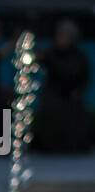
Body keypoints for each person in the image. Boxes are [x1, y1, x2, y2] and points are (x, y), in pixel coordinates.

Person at [38, 20, 91, 153]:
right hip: (54, 94)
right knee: (52, 110)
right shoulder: (51, 53)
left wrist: (78, 91)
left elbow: (83, 77)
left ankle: (73, 146)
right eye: (60, 35)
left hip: (72, 95)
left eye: (64, 36)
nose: (61, 39)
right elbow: (41, 61)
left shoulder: (79, 56)